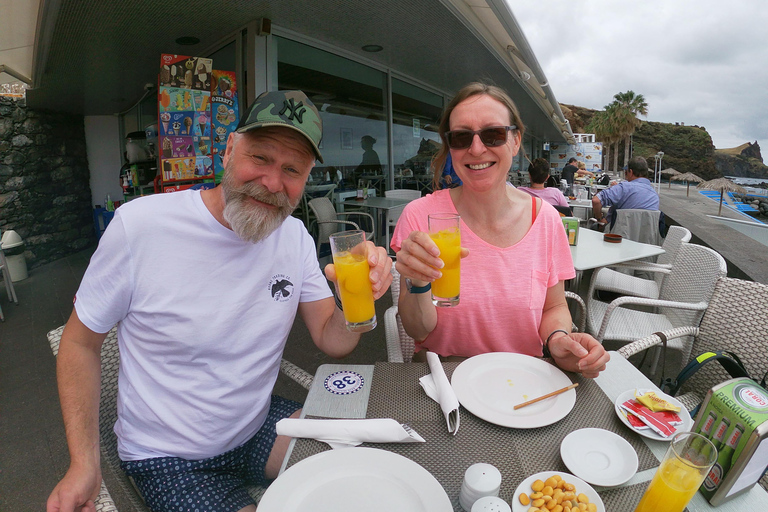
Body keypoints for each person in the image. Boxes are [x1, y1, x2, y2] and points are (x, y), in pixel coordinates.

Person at [47, 90, 393, 512]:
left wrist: (361, 297)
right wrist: (82, 464)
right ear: (229, 149)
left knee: (367, 475)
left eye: (292, 169)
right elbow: (80, 343)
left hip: (257, 425)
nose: (271, 183)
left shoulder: (294, 237)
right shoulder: (142, 226)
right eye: (260, 158)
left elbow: (332, 339)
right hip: (169, 458)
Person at [390, 82, 608, 378]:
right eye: (461, 137)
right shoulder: (421, 216)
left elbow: (554, 307)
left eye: (492, 134)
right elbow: (417, 329)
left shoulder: (545, 219)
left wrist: (558, 339)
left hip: (521, 377)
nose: (476, 149)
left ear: (515, 141)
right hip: (442, 377)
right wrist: (418, 283)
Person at [592, 155, 659, 231]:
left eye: (626, 172)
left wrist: (600, 219)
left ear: (630, 172)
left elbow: (596, 201)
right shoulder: (654, 194)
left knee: (594, 227)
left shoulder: (623, 188)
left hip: (617, 236)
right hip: (644, 239)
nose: (625, 175)